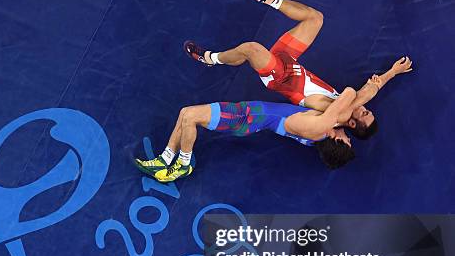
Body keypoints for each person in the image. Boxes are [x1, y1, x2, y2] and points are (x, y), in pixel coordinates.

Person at [183, 0, 413, 140]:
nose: (365, 109)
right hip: (290, 63)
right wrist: (391, 71)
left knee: (250, 48)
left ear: (352, 124)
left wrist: (390, 75)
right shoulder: (346, 108)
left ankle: (209, 58)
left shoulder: (339, 114)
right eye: (369, 111)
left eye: (365, 114)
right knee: (315, 19)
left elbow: (364, 94)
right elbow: (366, 93)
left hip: (280, 77)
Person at [135, 87, 358, 182]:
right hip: (249, 114)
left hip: (246, 118)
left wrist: (385, 77)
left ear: (337, 140)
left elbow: (349, 93)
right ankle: (164, 159)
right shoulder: (315, 135)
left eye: (348, 139)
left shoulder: (322, 128)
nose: (348, 134)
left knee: (191, 116)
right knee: (185, 112)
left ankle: (183, 164)